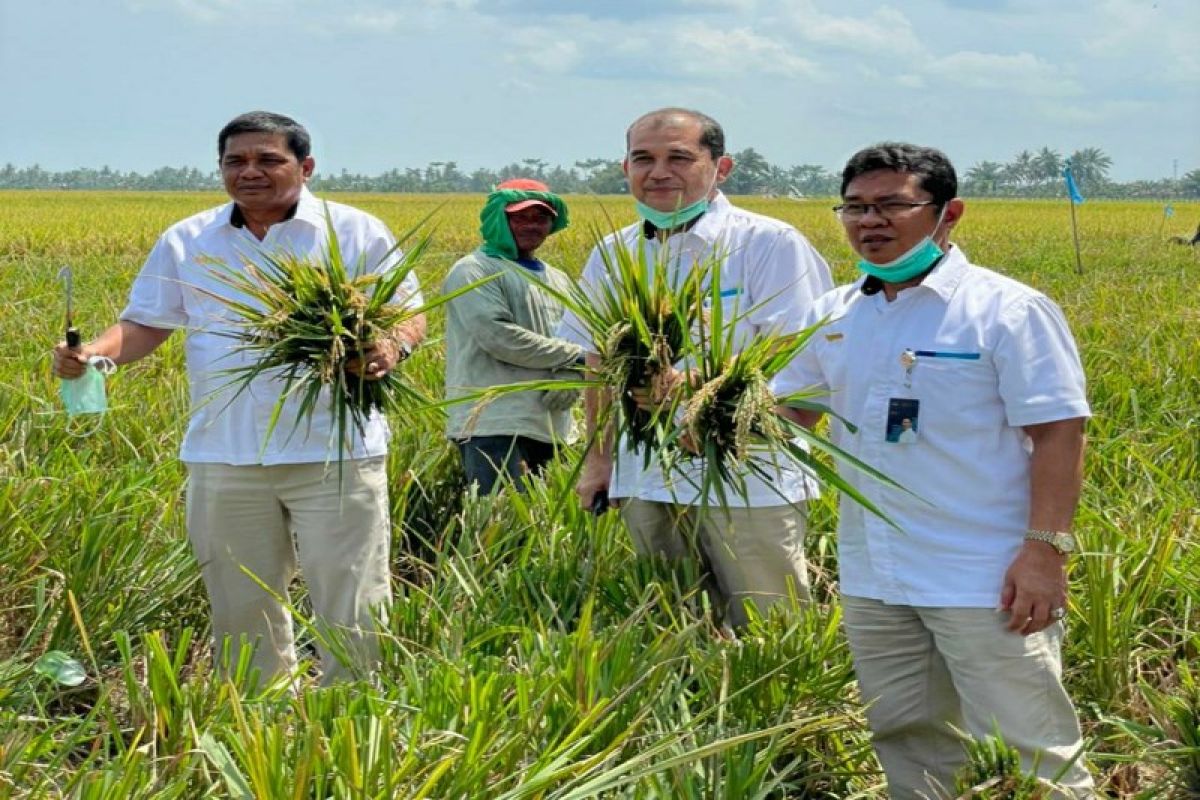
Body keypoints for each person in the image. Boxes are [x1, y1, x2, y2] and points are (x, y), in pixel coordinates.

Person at [51, 111, 425, 686]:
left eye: (268, 160)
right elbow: (145, 324)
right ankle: (261, 721)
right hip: (225, 453)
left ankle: (354, 718)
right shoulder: (188, 239)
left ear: (305, 167)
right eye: (235, 161)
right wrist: (92, 356)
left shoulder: (355, 232)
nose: (250, 172)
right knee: (240, 605)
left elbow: (406, 316)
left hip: (335, 450)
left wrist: (388, 348)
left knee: (353, 603)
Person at [774, 142, 1094, 798]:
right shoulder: (833, 315)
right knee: (908, 739)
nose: (871, 221)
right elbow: (787, 413)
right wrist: (689, 396)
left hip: (984, 575)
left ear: (949, 214)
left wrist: (1044, 553)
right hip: (876, 574)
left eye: (893, 204)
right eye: (856, 207)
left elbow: (1060, 432)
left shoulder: (1006, 310)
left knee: (1034, 752)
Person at [557, 108, 833, 628]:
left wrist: (703, 389)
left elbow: (801, 357)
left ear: (720, 168)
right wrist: (599, 460)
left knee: (770, 624)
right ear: (626, 168)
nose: (659, 172)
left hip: (749, 477)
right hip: (646, 477)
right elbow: (597, 364)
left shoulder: (768, 244)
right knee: (673, 622)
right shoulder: (613, 253)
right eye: (644, 159)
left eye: (679, 158)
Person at [442, 178, 582, 493]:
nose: (532, 225)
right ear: (498, 219)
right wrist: (577, 357)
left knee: (547, 529)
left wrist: (574, 373)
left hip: (552, 425)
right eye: (519, 217)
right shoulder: (474, 270)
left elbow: (584, 337)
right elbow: (500, 337)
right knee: (503, 526)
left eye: (541, 218)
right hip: (494, 424)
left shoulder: (558, 279)